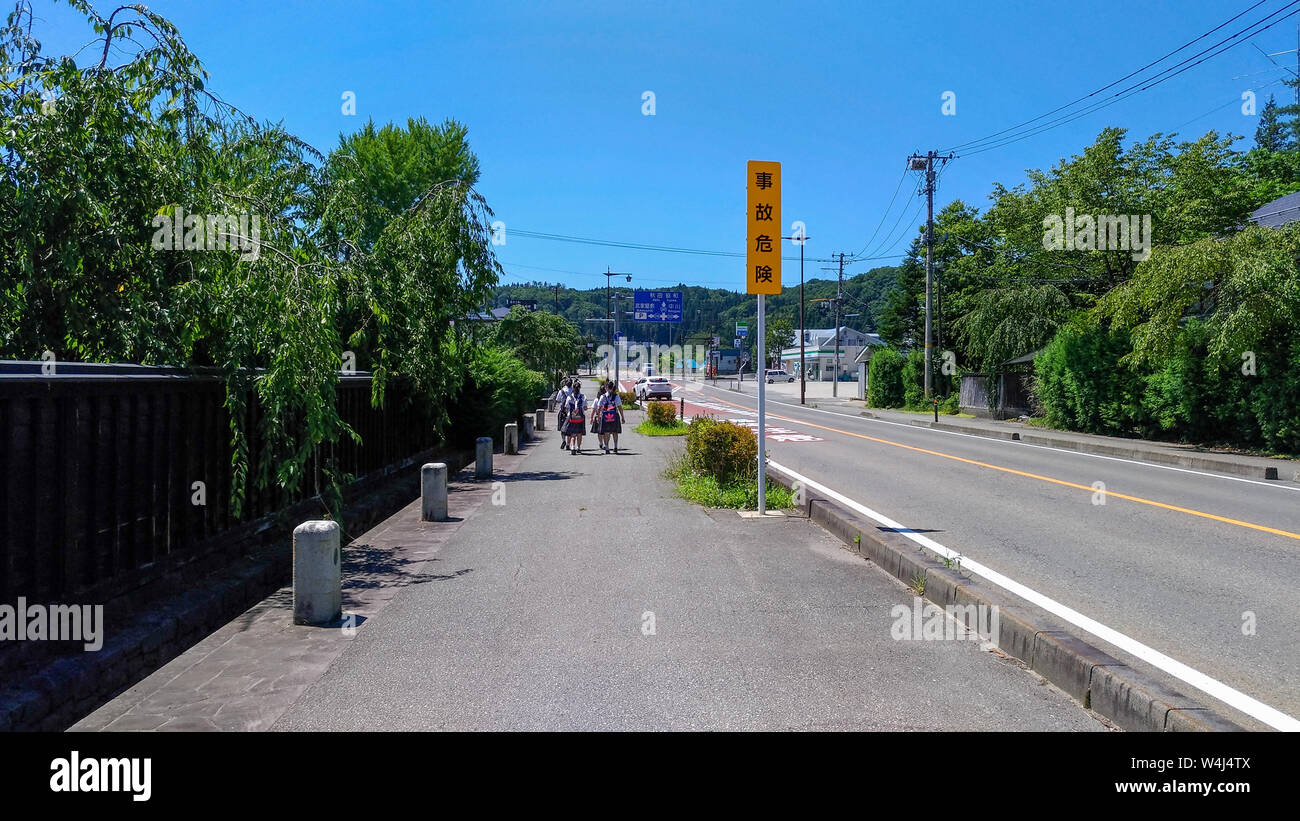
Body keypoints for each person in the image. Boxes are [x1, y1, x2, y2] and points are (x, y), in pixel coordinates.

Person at [598, 380, 624, 453]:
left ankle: (607, 448)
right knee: (615, 432)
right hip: (614, 416)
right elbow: (620, 407)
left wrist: (598, 416)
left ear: (606, 387)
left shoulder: (603, 396)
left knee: (606, 432)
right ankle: (615, 447)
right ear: (613, 387)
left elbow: (599, 407)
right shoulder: (616, 396)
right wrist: (622, 417)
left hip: (605, 416)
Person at [564, 381, 587, 453]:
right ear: (580, 388)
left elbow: (566, 408)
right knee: (579, 433)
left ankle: (573, 447)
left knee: (572, 434)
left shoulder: (569, 397)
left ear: (573, 388)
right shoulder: (583, 397)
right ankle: (578, 447)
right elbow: (585, 408)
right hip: (580, 418)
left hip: (571, 418)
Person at [556, 377, 572, 449]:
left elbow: (558, 400)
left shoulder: (561, 391)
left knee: (562, 427)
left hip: (562, 411)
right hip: (571, 411)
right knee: (570, 428)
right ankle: (568, 444)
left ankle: (563, 440)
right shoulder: (573, 390)